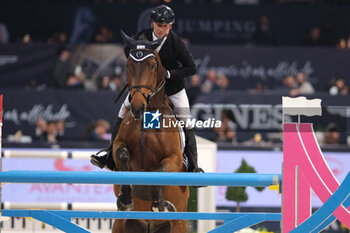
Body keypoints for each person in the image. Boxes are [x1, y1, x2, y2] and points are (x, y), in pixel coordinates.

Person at [91, 5, 204, 173]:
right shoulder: (141, 37)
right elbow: (127, 51)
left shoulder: (175, 43)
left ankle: (193, 166)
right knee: (122, 111)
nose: (162, 29)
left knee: (186, 121)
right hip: (144, 88)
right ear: (152, 23)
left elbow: (191, 68)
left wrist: (169, 74)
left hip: (172, 88)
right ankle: (109, 155)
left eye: (165, 26)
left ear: (171, 26)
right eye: (159, 25)